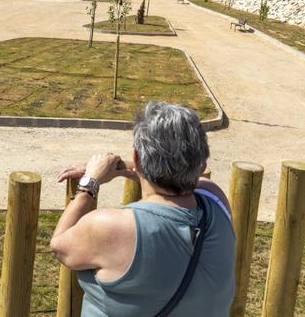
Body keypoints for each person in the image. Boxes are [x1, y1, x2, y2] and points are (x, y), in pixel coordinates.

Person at [50, 101, 235, 316]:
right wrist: (125, 167)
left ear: (136, 158)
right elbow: (185, 182)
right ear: (202, 165)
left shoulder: (111, 227)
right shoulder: (215, 199)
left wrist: (90, 184)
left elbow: (59, 246)